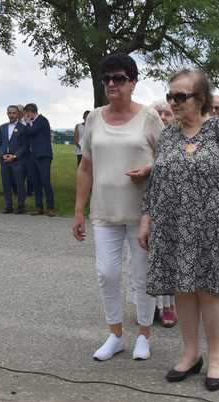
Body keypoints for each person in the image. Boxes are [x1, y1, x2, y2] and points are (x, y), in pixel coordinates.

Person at [139, 69, 219, 391]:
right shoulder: (168, 134)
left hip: (212, 226)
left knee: (211, 291)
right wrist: (147, 219)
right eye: (170, 96)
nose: (173, 102)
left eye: (181, 96)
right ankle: (191, 354)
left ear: (201, 99)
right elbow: (157, 181)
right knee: (182, 289)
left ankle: (215, 357)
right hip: (173, 226)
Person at [72, 53, 162, 362]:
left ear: (133, 83)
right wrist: (79, 210)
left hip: (142, 213)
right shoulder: (94, 118)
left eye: (119, 78)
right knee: (107, 274)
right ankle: (115, 334)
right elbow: (86, 167)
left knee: (142, 275)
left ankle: (144, 335)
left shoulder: (149, 117)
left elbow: (168, 161)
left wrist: (149, 170)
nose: (112, 84)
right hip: (104, 212)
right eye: (107, 78)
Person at [149, 100, 177, 327]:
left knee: (172, 258)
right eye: (158, 113)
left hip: (175, 207)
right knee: (149, 258)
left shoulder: (179, 139)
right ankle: (152, 306)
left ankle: (169, 305)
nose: (163, 117)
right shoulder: (146, 138)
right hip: (148, 205)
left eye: (167, 113)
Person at [23, 103, 56, 216]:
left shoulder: (42, 120)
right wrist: (28, 123)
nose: (26, 116)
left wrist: (27, 123)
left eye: (27, 114)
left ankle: (50, 207)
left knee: (45, 181)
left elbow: (30, 132)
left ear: (32, 112)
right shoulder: (32, 123)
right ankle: (39, 207)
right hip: (32, 156)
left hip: (43, 155)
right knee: (35, 181)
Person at [0, 105, 29, 214]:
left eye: (14, 113)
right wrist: (2, 155)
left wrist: (14, 156)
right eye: (10, 113)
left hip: (18, 161)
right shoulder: (2, 127)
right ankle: (8, 206)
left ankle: (21, 206)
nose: (11, 115)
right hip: (4, 161)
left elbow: (25, 145)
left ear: (18, 114)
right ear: (7, 113)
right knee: (6, 184)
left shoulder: (23, 128)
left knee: (19, 184)